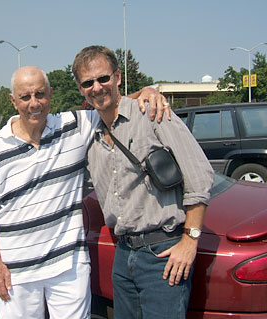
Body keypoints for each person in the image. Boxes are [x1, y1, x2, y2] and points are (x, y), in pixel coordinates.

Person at [0, 65, 169, 318]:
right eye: (25, 97)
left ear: (51, 94)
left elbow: (109, 106)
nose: (34, 104)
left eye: (40, 94)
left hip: (68, 266)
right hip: (17, 271)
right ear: (13, 101)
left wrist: (146, 91)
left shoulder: (74, 126)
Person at [72, 45, 214, 318]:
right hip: (123, 257)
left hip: (163, 254)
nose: (97, 87)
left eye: (103, 78)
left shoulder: (151, 112)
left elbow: (200, 175)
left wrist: (190, 241)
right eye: (88, 83)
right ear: (81, 89)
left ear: (117, 77)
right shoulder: (89, 133)